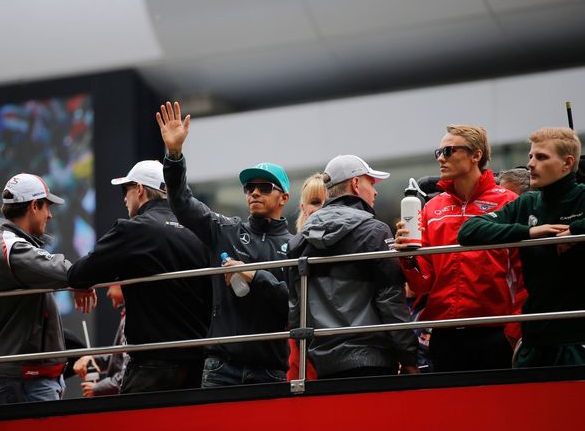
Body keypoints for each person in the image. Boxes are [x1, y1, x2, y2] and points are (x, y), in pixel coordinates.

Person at [157, 101, 292, 386]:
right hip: (221, 369)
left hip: (269, 371)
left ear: (284, 198)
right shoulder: (226, 230)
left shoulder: (295, 245)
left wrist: (254, 276)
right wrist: (175, 155)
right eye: (249, 187)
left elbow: (294, 303)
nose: (254, 192)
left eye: (264, 187)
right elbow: (182, 204)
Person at [68, 160, 212, 393]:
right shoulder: (197, 230)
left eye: (126, 190)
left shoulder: (133, 229)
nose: (124, 198)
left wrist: (83, 284)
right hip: (199, 364)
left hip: (152, 365)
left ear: (140, 189)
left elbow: (78, 273)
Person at [394, 125, 525, 372]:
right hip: (445, 335)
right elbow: (423, 284)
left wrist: (514, 330)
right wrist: (408, 257)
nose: (441, 158)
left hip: (496, 331)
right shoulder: (432, 208)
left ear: (476, 155)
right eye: (439, 152)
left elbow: (524, 274)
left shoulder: (508, 202)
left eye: (449, 150)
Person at [459, 127, 585, 368]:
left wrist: (577, 230)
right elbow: (468, 231)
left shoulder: (582, 197)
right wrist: (528, 232)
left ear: (568, 163)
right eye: (530, 156)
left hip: (577, 337)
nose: (531, 164)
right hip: (534, 338)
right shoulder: (527, 202)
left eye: (541, 157)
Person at [288, 155, 418, 378]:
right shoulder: (376, 232)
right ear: (356, 184)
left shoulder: (299, 241)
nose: (375, 192)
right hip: (373, 360)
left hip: (322, 364)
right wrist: (409, 358)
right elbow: (391, 302)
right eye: (371, 183)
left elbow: (295, 313)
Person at [0, 173, 96, 404]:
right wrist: (79, 281)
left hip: (33, 377)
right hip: (25, 379)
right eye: (47, 207)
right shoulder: (11, 247)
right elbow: (63, 271)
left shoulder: (13, 243)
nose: (50, 215)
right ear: (34, 206)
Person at [288, 173, 326, 381]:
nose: (320, 209)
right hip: (301, 346)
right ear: (303, 208)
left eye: (326, 203)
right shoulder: (292, 248)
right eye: (314, 202)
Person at [73, 285, 129, 397]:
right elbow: (121, 359)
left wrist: (98, 388)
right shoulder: (128, 315)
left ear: (122, 284)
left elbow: (128, 371)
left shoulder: (133, 318)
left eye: (110, 286)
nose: (108, 293)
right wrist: (93, 358)